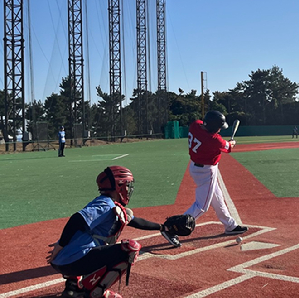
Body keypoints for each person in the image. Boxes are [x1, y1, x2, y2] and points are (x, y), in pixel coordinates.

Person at [47, 166, 174, 298]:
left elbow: (136, 221)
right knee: (130, 249)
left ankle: (73, 287)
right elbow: (77, 219)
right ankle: (96, 292)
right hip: (73, 262)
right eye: (126, 185)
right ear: (118, 186)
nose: (129, 189)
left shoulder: (107, 203)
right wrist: (61, 244)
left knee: (94, 245)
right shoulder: (106, 205)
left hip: (65, 262)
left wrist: (163, 228)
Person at [162, 111, 248, 246]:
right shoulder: (214, 140)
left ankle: (230, 225)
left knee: (217, 196)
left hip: (194, 167)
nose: (220, 129)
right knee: (202, 206)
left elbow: (208, 132)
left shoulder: (195, 125)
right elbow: (227, 147)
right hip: (207, 171)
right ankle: (172, 229)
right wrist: (232, 143)